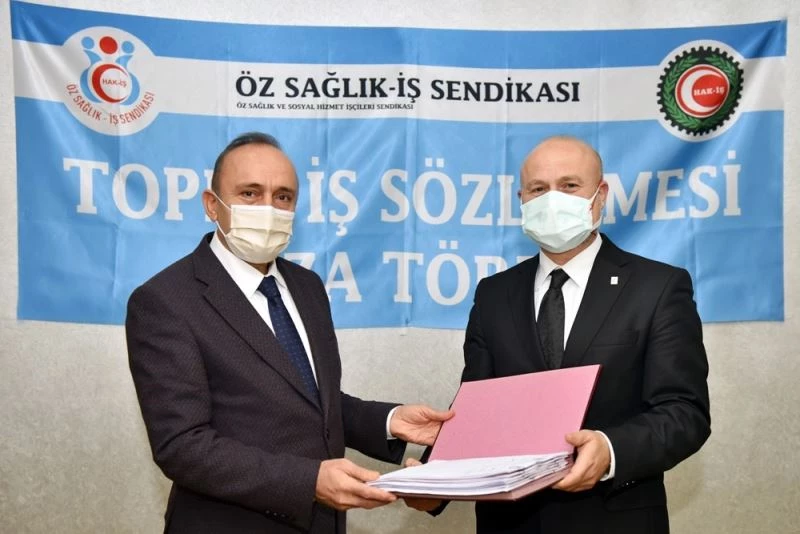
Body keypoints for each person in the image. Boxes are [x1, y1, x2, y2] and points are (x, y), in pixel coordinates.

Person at [126, 132, 453, 534]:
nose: (269, 208)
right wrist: (308, 481)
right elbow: (182, 445)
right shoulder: (165, 301)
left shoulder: (307, 287)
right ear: (212, 204)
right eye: (249, 193)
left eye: (283, 197)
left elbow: (310, 402)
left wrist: (389, 420)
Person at [406, 135, 710, 533]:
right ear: (522, 200)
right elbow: (476, 409)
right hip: (510, 524)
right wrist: (433, 482)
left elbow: (684, 412)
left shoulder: (657, 288)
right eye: (538, 189)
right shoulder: (494, 294)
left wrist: (610, 450)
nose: (552, 200)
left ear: (600, 195)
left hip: (615, 520)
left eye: (569, 186)